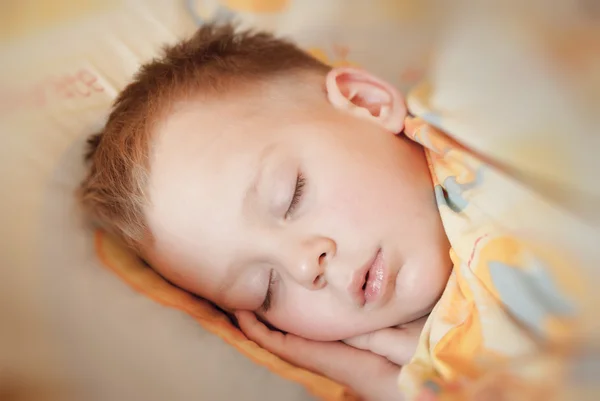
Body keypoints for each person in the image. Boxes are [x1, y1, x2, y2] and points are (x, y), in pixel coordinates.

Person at [80, 23, 591, 401]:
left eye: (292, 194)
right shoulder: (447, 366)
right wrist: (384, 382)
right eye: (266, 291)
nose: (305, 266)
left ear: (365, 103)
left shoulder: (485, 116)